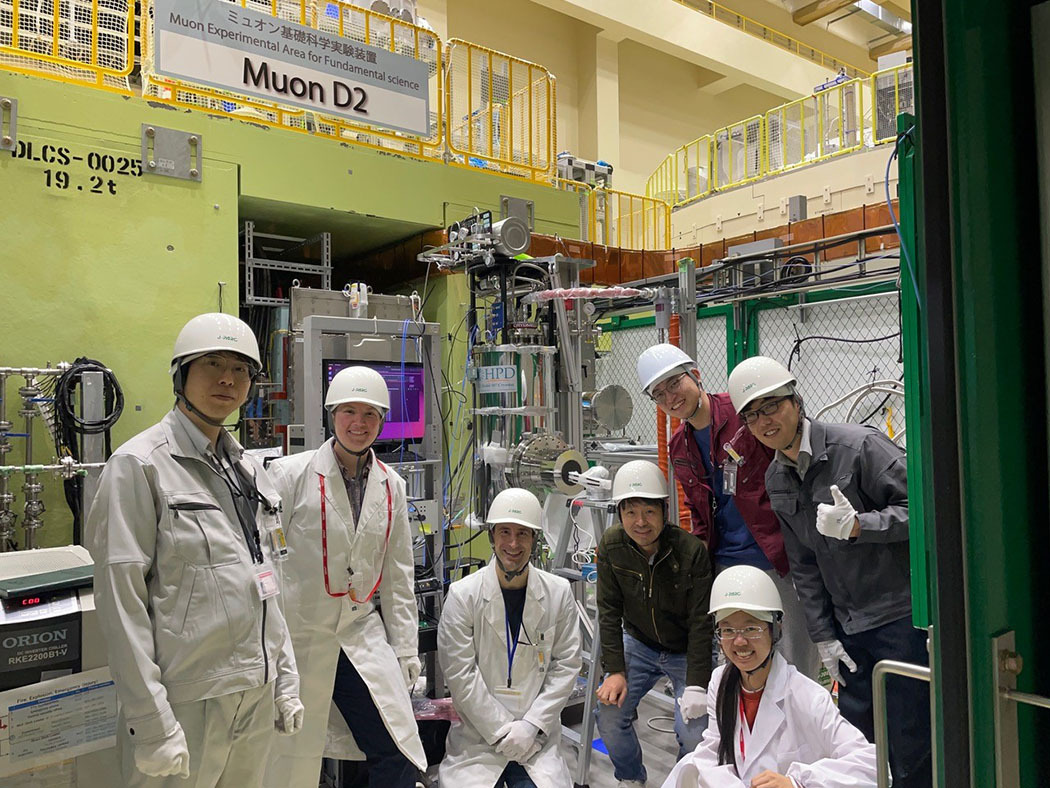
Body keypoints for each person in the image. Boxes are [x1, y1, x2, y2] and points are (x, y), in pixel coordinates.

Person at [87, 312, 302, 787]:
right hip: (186, 702)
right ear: (181, 375)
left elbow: (268, 583)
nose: (227, 378)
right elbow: (121, 606)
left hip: (255, 691)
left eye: (241, 369)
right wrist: (151, 722)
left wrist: (284, 680)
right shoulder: (139, 467)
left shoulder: (247, 469)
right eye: (211, 363)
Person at [727, 356, 930, 788]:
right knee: (856, 743)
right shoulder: (777, 479)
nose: (764, 420)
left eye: (771, 405)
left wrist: (861, 525)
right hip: (847, 628)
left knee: (911, 741)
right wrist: (823, 637)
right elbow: (804, 566)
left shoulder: (858, 448)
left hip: (898, 618)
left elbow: (925, 511)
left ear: (796, 401)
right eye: (752, 414)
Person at [262, 366, 426, 788]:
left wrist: (406, 650)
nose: (359, 423)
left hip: (358, 635)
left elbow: (398, 574)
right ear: (332, 415)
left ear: (382, 421)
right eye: (349, 411)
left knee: (399, 750)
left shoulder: (392, 485)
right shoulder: (288, 476)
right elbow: (266, 563)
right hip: (299, 640)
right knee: (290, 761)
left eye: (370, 414)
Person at [636, 344, 818, 677]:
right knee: (740, 662)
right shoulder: (680, 444)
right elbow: (697, 510)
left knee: (793, 661)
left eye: (674, 383)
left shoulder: (742, 415)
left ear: (696, 375)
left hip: (777, 559)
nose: (670, 398)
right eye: (659, 394)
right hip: (726, 563)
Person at [661, 565, 877, 788]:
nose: (739, 641)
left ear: (775, 628)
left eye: (751, 628)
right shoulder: (720, 681)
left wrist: (797, 782)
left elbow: (873, 767)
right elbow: (714, 750)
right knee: (687, 766)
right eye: (727, 630)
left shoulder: (808, 697)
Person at [437, 488, 582, 788]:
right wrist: (503, 731)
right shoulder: (463, 596)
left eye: (522, 534)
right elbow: (461, 677)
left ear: (534, 539)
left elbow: (566, 666)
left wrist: (530, 727)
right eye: (505, 532)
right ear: (491, 536)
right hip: (478, 740)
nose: (513, 544)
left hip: (536, 740)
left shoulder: (558, 593)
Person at [594, 460, 714, 788]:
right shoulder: (612, 546)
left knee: (694, 734)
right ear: (620, 514)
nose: (641, 522)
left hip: (686, 648)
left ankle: (680, 781)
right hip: (639, 644)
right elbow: (607, 610)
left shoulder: (690, 552)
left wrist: (697, 685)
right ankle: (631, 778)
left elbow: (702, 623)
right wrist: (615, 669)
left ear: (664, 510)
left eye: (649, 511)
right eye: (631, 512)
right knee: (608, 717)